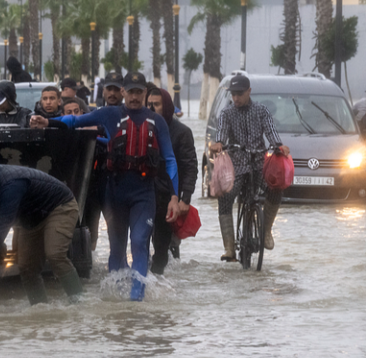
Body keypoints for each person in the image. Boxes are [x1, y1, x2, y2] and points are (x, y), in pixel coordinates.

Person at [31, 72, 180, 301]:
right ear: (123, 92)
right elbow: (75, 122)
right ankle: (115, 302)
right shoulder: (110, 114)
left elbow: (170, 159)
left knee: (139, 243)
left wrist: (174, 197)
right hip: (115, 192)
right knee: (117, 248)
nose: (134, 97)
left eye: (138, 92)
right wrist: (48, 122)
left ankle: (136, 300)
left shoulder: (157, 122)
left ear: (144, 93)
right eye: (130, 92)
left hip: (144, 194)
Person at [0, 165, 83, 304]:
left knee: (55, 254)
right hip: (32, 218)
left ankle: (78, 302)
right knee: (27, 267)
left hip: (60, 207)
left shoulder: (11, 185)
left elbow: (2, 227)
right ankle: (39, 308)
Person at [208, 74, 290, 260]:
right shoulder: (226, 113)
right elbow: (221, 133)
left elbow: (271, 131)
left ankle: (266, 231)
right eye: (233, 94)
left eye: (239, 94)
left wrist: (279, 146)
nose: (236, 98)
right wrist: (218, 143)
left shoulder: (261, 110)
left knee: (276, 189)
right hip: (236, 166)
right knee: (225, 197)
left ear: (249, 92)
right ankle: (229, 248)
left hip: (260, 164)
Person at [146, 85, 198, 274]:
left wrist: (185, 198)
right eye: (149, 104)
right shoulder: (142, 128)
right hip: (145, 193)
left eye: (156, 104)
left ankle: (161, 278)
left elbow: (190, 166)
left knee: (162, 245)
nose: (152, 108)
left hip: (169, 197)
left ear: (166, 106)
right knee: (141, 239)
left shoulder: (182, 132)